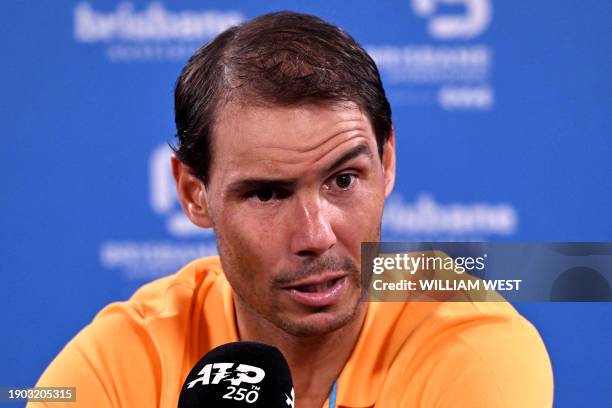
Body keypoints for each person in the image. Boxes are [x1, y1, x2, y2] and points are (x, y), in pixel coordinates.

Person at [31, 11, 553, 408]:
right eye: (267, 194)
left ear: (387, 162)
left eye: (344, 180)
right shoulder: (122, 357)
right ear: (194, 193)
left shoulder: (475, 348)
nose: (316, 235)